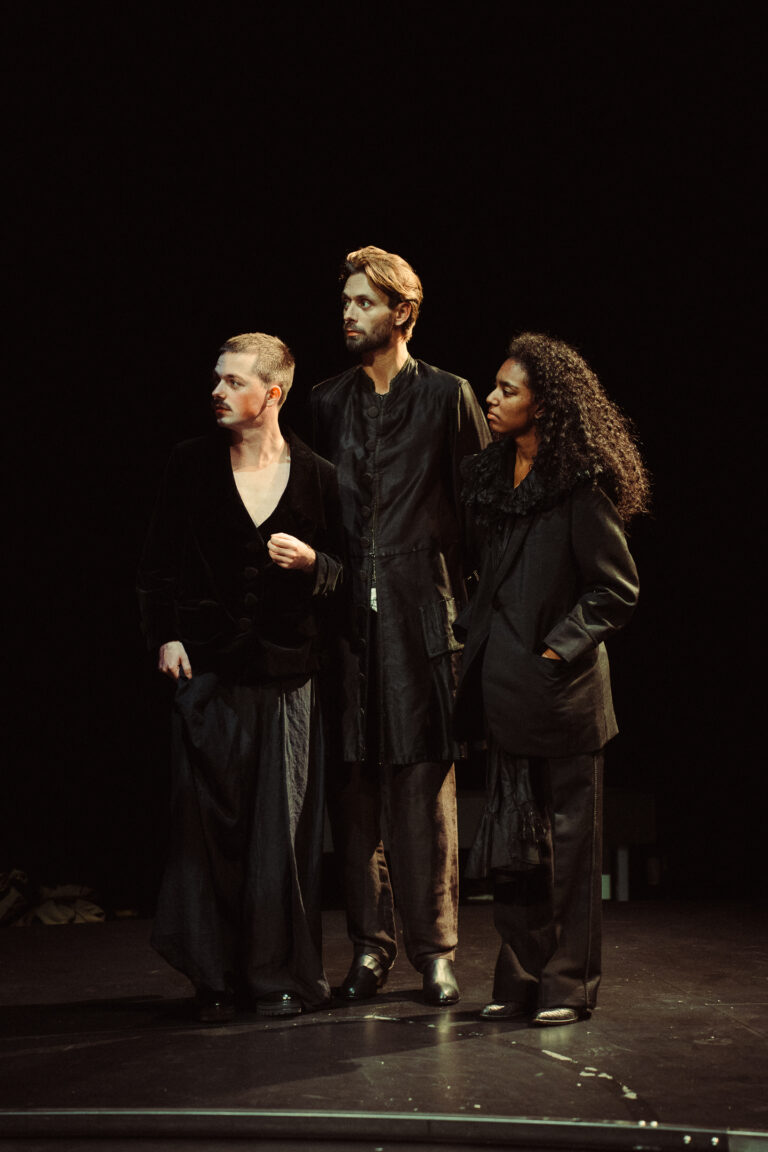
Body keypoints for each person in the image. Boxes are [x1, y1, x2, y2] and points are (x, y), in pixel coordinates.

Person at [137, 333, 343, 1022]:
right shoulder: (191, 465)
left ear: (272, 394)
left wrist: (316, 563)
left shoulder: (317, 475)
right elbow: (157, 564)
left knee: (278, 836)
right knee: (207, 831)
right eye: (216, 379)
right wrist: (164, 633)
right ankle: (215, 977)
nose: (218, 392)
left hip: (287, 678)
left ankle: (276, 975)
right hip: (210, 671)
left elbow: (351, 577)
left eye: (233, 381)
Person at [311, 246, 490, 1006]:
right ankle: (368, 946)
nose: (347, 314)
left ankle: (436, 948)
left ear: (401, 313)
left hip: (424, 615)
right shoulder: (323, 402)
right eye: (346, 301)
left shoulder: (449, 395)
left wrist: (475, 619)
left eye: (362, 302)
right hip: (348, 617)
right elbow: (313, 513)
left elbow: (481, 513)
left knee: (424, 786)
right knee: (356, 789)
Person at [454, 332, 648, 1026]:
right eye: (496, 386)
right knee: (513, 843)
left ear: (546, 404)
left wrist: (556, 652)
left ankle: (570, 984)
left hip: (562, 697)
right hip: (503, 690)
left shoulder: (577, 485)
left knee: (570, 848)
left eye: (509, 389)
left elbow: (616, 591)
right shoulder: (490, 478)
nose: (494, 397)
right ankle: (521, 976)